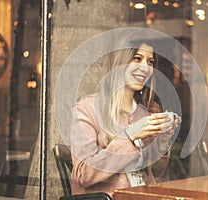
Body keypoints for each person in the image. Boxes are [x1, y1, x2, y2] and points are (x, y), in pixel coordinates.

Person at [70, 29, 181, 197]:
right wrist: (129, 136)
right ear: (119, 62)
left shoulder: (145, 112)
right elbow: (84, 175)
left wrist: (164, 142)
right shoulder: (88, 109)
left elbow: (155, 173)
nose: (145, 67)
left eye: (150, 62)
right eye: (137, 59)